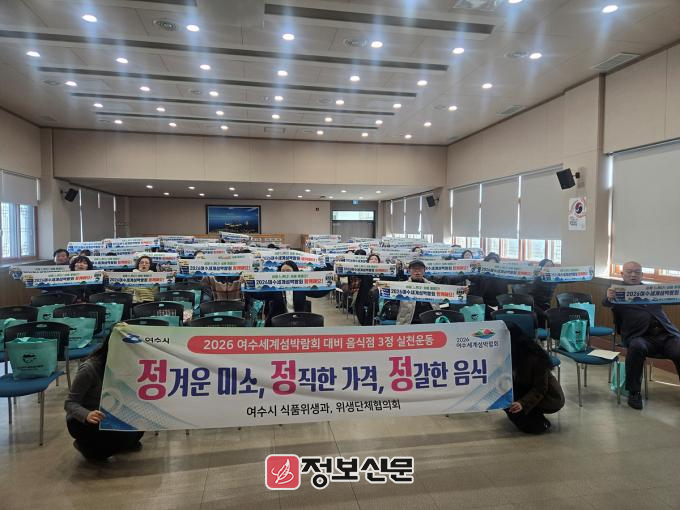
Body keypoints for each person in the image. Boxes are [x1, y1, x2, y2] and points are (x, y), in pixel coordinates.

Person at [603, 261, 680, 410]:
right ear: (622, 274)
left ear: (642, 274)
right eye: (629, 272)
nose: (633, 275)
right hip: (640, 336)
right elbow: (606, 302)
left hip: (665, 334)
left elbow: (673, 298)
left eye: (637, 272)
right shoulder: (617, 291)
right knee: (636, 347)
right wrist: (608, 297)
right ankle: (634, 392)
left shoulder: (651, 290)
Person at [65, 336, 144, 460]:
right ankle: (84, 445)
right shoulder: (89, 368)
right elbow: (70, 403)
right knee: (102, 453)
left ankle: (110, 443)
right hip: (86, 419)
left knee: (137, 433)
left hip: (112, 414)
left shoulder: (131, 367)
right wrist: (87, 415)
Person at [505, 324, 565, 434]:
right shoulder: (512, 355)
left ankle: (539, 422)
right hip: (528, 389)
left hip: (550, 397)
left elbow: (540, 388)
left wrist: (522, 403)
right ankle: (530, 415)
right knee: (506, 397)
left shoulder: (535, 357)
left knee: (516, 409)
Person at [395, 260, 440, 325]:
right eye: (414, 269)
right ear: (409, 271)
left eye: (420, 269)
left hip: (431, 323)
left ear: (424, 270)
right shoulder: (401, 286)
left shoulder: (433, 286)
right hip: (408, 323)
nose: (417, 271)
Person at [355, 253, 381, 326]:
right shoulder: (364, 273)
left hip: (380, 296)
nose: (373, 260)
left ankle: (368, 323)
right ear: (368, 262)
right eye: (371, 259)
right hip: (366, 296)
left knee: (375, 300)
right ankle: (367, 324)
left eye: (376, 259)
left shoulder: (385, 273)